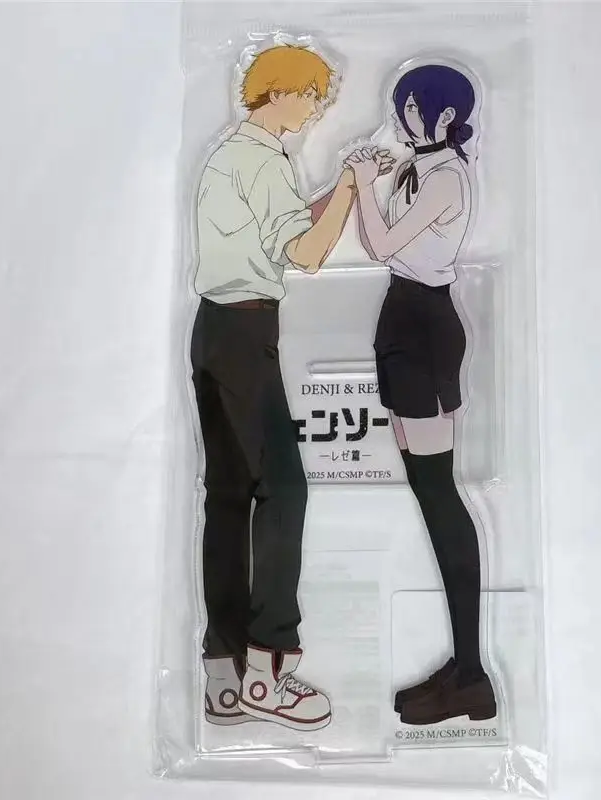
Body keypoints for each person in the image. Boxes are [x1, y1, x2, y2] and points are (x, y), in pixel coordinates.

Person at [191, 44, 392, 731]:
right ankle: (269, 669)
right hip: (247, 332)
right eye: (313, 97)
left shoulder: (230, 154)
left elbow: (277, 230)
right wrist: (352, 190)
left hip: (213, 330)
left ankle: (224, 673)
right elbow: (305, 253)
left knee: (227, 499)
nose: (316, 111)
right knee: (283, 490)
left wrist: (336, 186)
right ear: (277, 91)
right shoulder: (266, 161)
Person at [344, 64, 496, 725]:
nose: (402, 119)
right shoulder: (420, 168)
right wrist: (371, 182)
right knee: (427, 489)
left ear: (442, 116)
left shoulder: (446, 176)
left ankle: (472, 674)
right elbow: (384, 245)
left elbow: (383, 244)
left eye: (411, 109)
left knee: (439, 493)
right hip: (401, 321)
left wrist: (360, 183)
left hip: (426, 327)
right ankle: (464, 670)